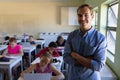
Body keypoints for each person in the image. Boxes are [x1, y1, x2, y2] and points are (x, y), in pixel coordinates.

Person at [63, 4, 107, 80]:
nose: (82, 18)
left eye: (86, 15)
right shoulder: (71, 36)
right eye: (80, 15)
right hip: (73, 77)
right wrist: (89, 60)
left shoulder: (100, 38)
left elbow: (98, 66)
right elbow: (66, 58)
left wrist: (76, 56)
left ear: (92, 16)